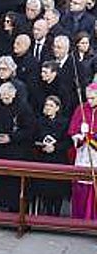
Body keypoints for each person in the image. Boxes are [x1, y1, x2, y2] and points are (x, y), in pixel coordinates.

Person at [0, 82, 34, 211]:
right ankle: (1, 209)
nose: (4, 98)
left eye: (7, 95)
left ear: (14, 94)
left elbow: (29, 130)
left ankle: (17, 210)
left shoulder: (23, 108)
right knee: (2, 184)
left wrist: (11, 137)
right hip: (0, 151)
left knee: (16, 186)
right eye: (2, 95)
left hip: (18, 153)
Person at [32, 95, 70, 216]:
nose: (48, 108)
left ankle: (57, 214)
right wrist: (41, 146)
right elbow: (34, 138)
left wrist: (55, 147)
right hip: (43, 158)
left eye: (51, 105)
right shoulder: (39, 122)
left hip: (59, 159)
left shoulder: (65, 122)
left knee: (58, 190)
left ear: (57, 108)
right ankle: (47, 212)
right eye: (46, 105)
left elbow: (68, 142)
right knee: (45, 189)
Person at [68, 83, 97, 220]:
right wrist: (79, 135)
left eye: (93, 98)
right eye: (88, 98)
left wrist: (92, 137)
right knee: (81, 186)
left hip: (95, 155)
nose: (89, 101)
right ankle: (79, 218)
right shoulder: (81, 109)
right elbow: (73, 131)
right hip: (83, 154)